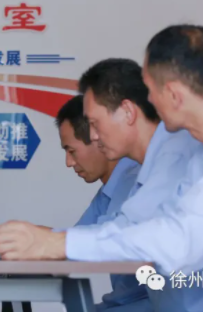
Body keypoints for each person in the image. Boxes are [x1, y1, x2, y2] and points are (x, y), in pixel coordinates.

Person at [0, 25, 203, 311]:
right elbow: (140, 227)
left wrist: (60, 244)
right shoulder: (202, 150)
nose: (149, 101)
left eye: (151, 90)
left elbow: (178, 240)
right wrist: (48, 241)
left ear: (172, 93)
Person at [0, 58, 203, 311]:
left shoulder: (174, 160)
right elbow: (116, 230)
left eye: (95, 123)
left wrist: (54, 242)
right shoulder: (151, 167)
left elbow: (132, 237)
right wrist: (39, 239)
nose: (93, 136)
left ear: (127, 111)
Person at [55, 95, 147, 311]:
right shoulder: (109, 191)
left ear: (98, 138)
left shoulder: (136, 182)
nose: (69, 162)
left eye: (71, 151)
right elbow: (75, 241)